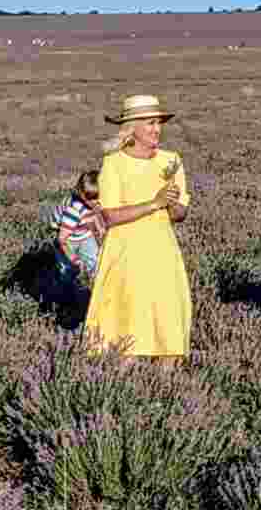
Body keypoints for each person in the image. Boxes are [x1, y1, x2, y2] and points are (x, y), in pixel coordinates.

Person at [84, 94, 191, 368]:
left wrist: (172, 202)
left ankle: (167, 385)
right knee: (128, 321)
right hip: (125, 253)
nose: (157, 129)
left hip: (162, 250)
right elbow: (109, 216)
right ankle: (124, 384)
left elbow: (180, 214)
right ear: (132, 128)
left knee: (167, 319)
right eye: (150, 123)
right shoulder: (114, 163)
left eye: (159, 123)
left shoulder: (171, 161)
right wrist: (154, 203)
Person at [55, 170, 104, 280]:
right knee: (68, 268)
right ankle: (64, 287)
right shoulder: (74, 211)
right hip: (68, 239)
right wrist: (73, 258)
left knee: (95, 262)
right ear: (82, 194)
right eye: (92, 197)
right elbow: (62, 239)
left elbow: (94, 215)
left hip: (84, 234)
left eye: (99, 196)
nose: (97, 201)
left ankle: (95, 282)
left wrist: (100, 229)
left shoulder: (95, 203)